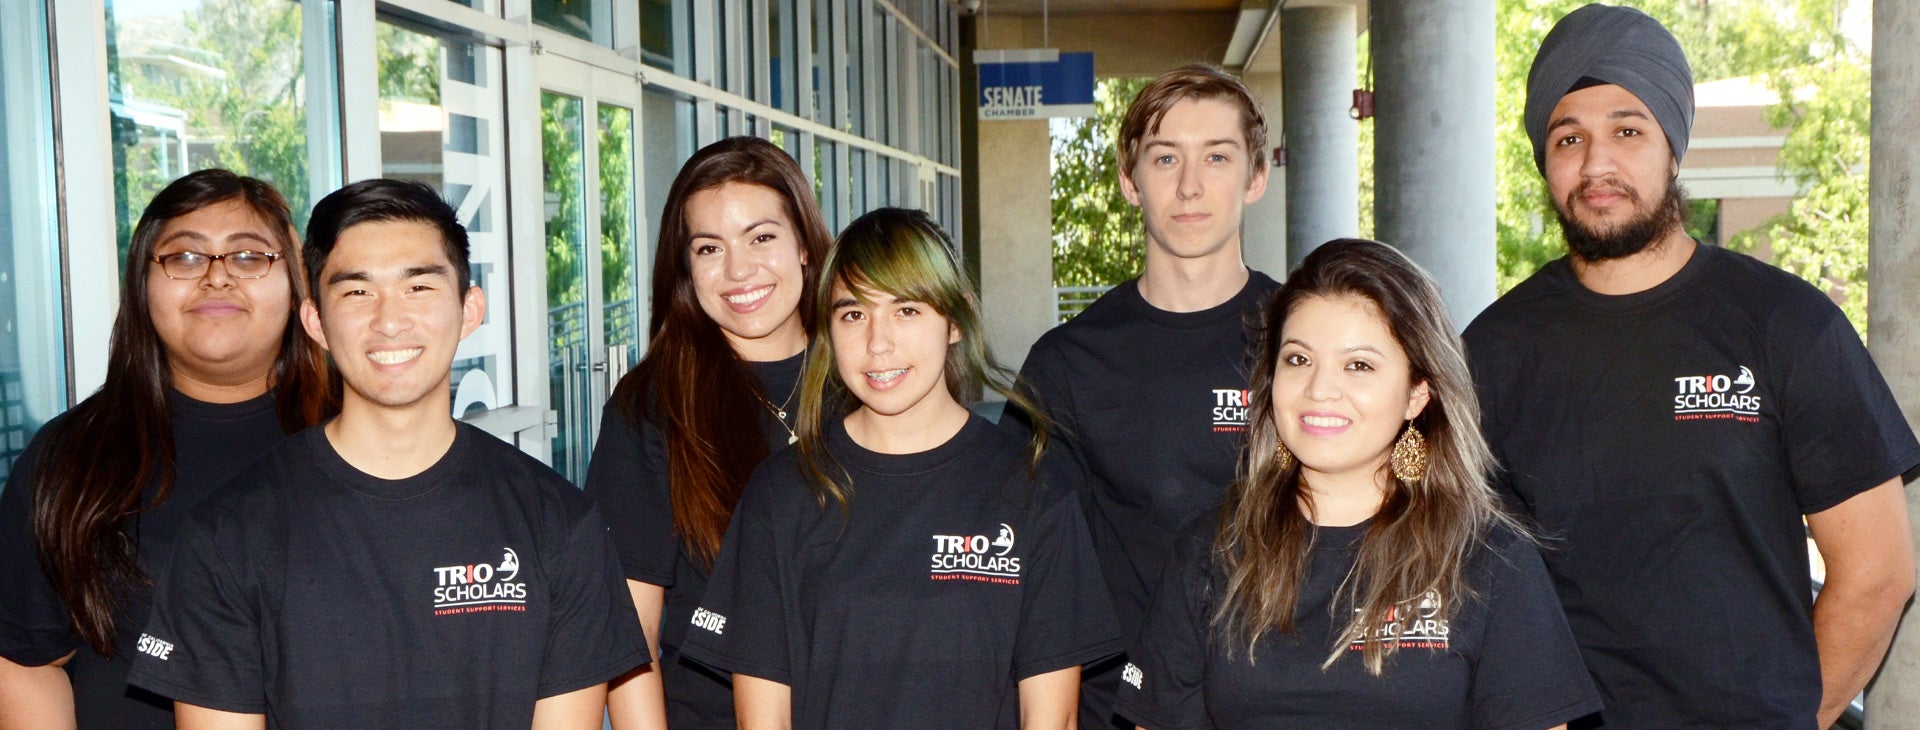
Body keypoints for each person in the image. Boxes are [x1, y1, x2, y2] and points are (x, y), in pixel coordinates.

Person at [1463, 5, 1919, 728]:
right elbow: (1472, 585)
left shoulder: (1785, 323)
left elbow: (1878, 572)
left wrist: (1793, 718)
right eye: (1568, 137)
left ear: (1673, 148)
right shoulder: (1488, 352)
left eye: (1627, 130)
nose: (1596, 164)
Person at [125, 179, 645, 728]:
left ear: (470, 310)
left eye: (418, 288)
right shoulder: (227, 534)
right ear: (316, 322)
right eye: (356, 292)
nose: (389, 320)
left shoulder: (559, 522)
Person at [1116, 239, 1601, 729]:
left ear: (1417, 395)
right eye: (1298, 360)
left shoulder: (1490, 559)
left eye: (1359, 365)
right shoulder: (1210, 551)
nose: (1320, 389)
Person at [681, 208, 1120, 729]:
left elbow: (1052, 720)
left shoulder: (1031, 489)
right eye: (853, 314)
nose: (878, 343)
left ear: (955, 321)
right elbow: (763, 721)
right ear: (828, 331)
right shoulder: (782, 493)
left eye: (906, 310)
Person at [0, 169, 332, 729]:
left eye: (249, 256)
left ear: (297, 284)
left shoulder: (359, 437)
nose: (217, 278)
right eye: (184, 257)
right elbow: (28, 661)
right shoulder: (71, 458)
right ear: (143, 284)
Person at [1003, 62, 1278, 727]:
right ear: (1130, 182)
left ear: (1256, 176)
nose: (1189, 185)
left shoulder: (1304, 343)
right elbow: (1025, 568)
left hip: (1291, 699)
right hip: (1125, 708)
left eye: (1216, 156)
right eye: (1164, 158)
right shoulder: (1068, 364)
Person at [585, 136, 833, 729]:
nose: (738, 270)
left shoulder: (867, 377)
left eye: (762, 237)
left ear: (803, 243)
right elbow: (628, 628)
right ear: (685, 266)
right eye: (709, 247)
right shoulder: (653, 405)